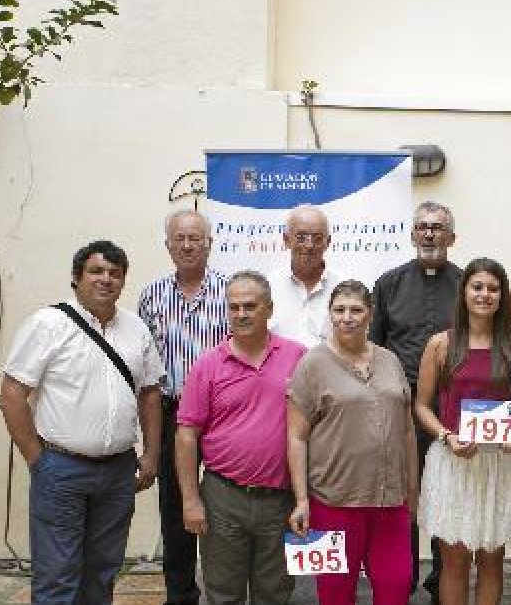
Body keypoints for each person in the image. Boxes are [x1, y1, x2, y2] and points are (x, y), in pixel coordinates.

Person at [0, 240, 163, 605]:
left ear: (123, 281)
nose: (106, 279)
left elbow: (150, 394)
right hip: (61, 470)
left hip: (119, 472)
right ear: (77, 278)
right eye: (96, 271)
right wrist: (37, 459)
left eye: (115, 273)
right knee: (57, 577)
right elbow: (11, 395)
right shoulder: (47, 324)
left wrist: (151, 455)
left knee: (103, 573)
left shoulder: (135, 329)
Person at [175, 271, 308, 604]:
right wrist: (191, 500)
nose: (241, 314)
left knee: (276, 592)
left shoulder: (298, 357)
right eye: (233, 307)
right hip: (223, 498)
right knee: (222, 593)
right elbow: (186, 435)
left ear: (269, 309)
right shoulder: (207, 365)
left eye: (250, 306)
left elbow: (317, 424)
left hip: (281, 499)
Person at [287, 280, 418, 605]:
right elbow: (296, 436)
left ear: (370, 314)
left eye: (356, 310)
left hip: (389, 503)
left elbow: (406, 431)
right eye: (339, 310)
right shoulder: (312, 364)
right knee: (335, 595)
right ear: (330, 314)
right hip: (333, 502)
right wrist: (302, 500)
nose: (347, 317)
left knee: (397, 586)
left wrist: (412, 491)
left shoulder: (390, 361)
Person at [415, 258, 511, 605]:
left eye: (493, 288)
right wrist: (446, 436)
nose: (485, 294)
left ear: (503, 296)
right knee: (455, 561)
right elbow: (421, 406)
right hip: (453, 459)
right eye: (477, 287)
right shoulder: (440, 344)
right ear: (464, 292)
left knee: (492, 560)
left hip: (498, 463)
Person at [370, 200, 462, 598]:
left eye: (437, 228)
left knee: (446, 496)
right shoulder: (388, 284)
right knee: (402, 497)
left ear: (452, 237)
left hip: (451, 412)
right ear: (412, 234)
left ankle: (443, 580)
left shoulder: (467, 284)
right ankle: (401, 579)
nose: (429, 233)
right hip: (400, 410)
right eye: (422, 227)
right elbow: (372, 348)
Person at [138, 210, 230, 605]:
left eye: (196, 238)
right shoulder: (151, 296)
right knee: (176, 503)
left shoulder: (231, 292)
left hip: (224, 412)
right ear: (169, 245)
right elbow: (145, 370)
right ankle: (180, 593)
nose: (188, 245)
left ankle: (226, 588)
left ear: (210, 243)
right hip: (173, 412)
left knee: (227, 499)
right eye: (180, 239)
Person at [269, 204, 341, 348]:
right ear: (286, 240)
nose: (309, 245)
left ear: (328, 242)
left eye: (317, 238)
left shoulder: (344, 287)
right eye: (301, 237)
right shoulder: (268, 287)